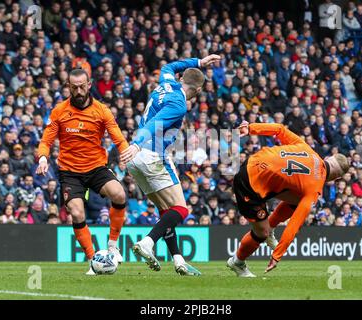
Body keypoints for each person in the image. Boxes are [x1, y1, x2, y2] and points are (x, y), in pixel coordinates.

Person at [120, 54, 221, 276]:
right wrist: (137, 143)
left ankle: (179, 261)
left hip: (136, 161)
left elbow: (168, 65)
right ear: (196, 91)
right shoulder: (179, 104)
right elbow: (156, 123)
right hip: (150, 154)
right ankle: (148, 242)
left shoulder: (166, 82)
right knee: (181, 209)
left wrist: (198, 62)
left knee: (166, 211)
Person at [36, 68, 130, 275]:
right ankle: (93, 260)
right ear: (69, 87)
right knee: (76, 212)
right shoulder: (59, 111)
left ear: (89, 85)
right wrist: (43, 157)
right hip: (70, 171)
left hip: (96, 167)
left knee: (119, 193)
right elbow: (46, 139)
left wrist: (126, 152)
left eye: (82, 86)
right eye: (74, 87)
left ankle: (113, 245)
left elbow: (117, 136)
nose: (78, 91)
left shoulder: (101, 110)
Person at [227, 121, 349, 277]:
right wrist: (277, 255)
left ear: (328, 158)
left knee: (297, 196)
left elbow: (279, 129)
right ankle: (237, 262)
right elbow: (294, 223)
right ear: (336, 179)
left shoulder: (307, 148)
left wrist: (250, 128)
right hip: (249, 183)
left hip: (254, 161)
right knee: (261, 233)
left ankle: (270, 227)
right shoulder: (314, 189)